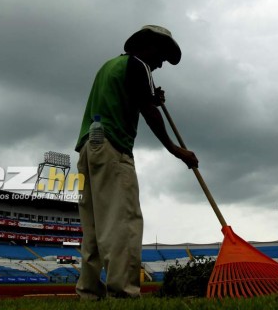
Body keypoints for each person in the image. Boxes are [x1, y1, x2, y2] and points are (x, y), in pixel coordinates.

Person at [75, 25, 199, 300]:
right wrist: (176, 150)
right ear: (149, 46)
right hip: (112, 148)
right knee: (124, 222)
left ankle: (89, 294)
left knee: (94, 230)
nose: (161, 65)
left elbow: (132, 99)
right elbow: (148, 111)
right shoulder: (138, 64)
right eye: (162, 57)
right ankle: (123, 293)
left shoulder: (111, 65)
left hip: (88, 149)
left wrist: (152, 97)